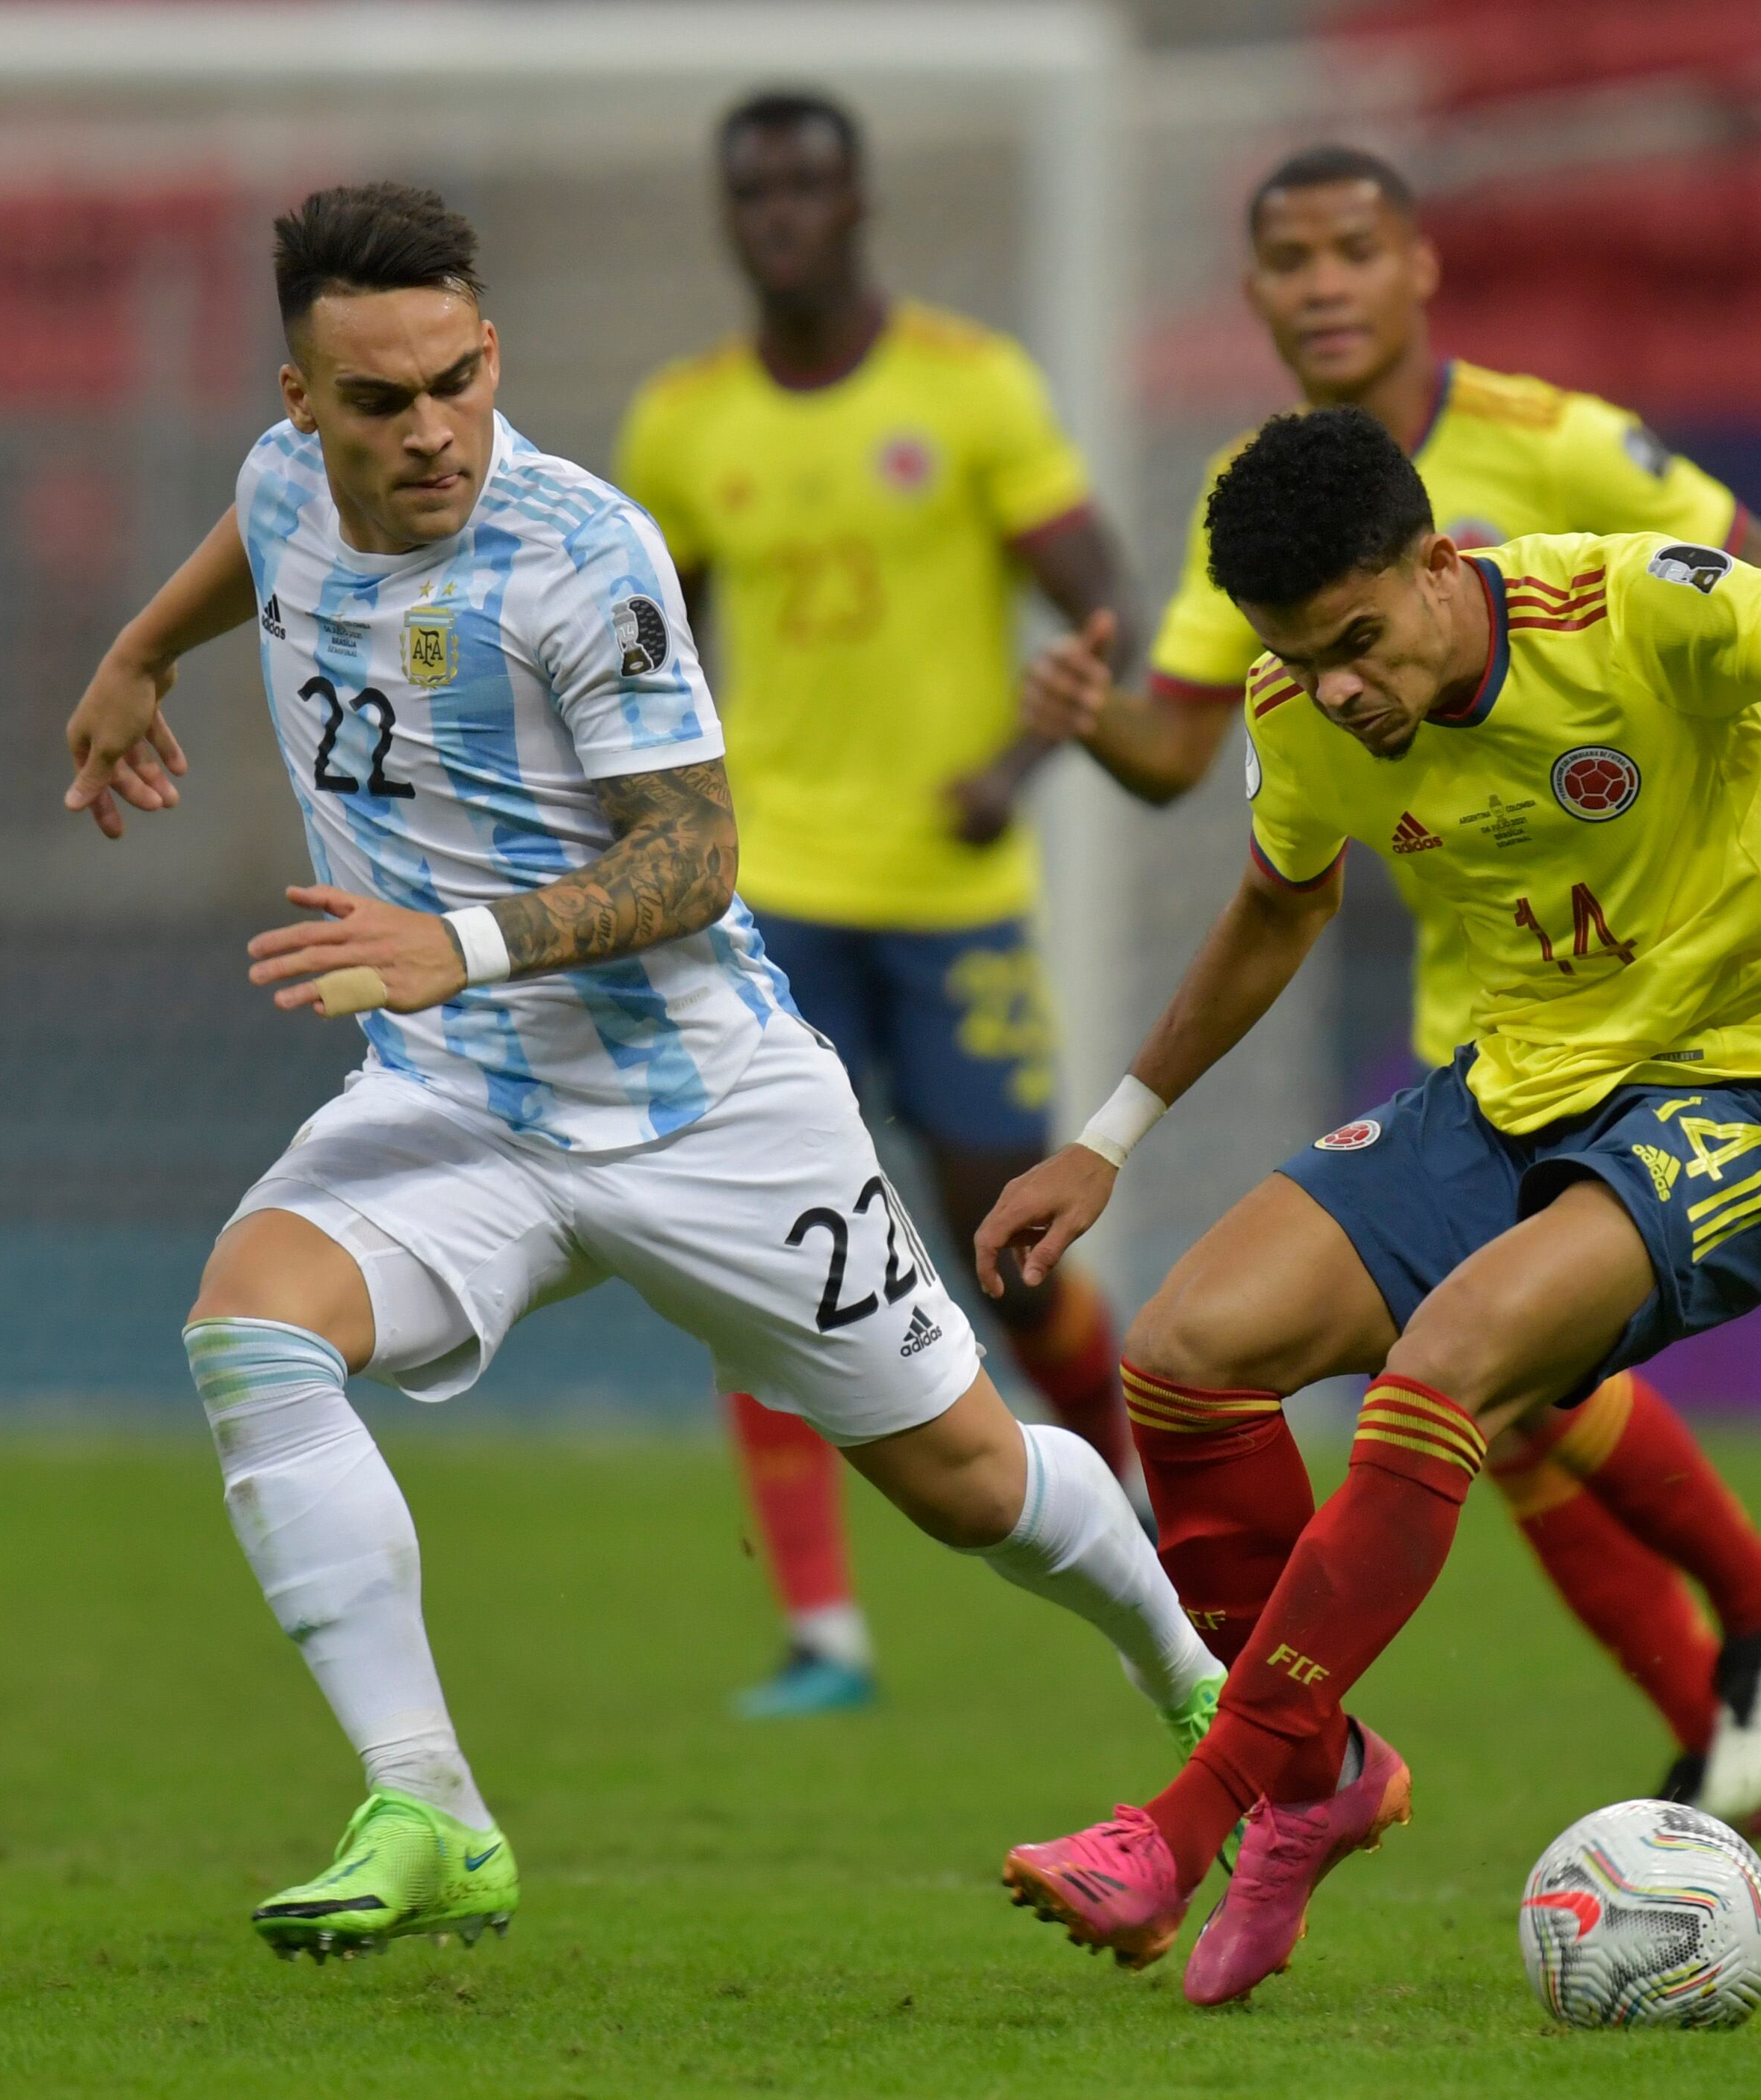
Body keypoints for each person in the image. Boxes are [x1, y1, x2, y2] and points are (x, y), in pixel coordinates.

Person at [58, 182, 1221, 1960]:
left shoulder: (581, 552)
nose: (431, 429)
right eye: (378, 402)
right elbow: (255, 529)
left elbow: (695, 856)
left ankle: (1204, 1691)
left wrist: (462, 941)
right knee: (251, 1325)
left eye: (458, 380)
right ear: (301, 399)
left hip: (703, 1108)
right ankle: (431, 1807)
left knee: (971, 1487)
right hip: (461, 1104)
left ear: (492, 353)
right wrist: (139, 653)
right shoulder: (283, 482)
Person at [984, 407, 1761, 2004]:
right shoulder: (1302, 704)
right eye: (1297, 654)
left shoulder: (1631, 606)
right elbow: (1278, 903)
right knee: (1188, 1351)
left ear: (1436, 564)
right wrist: (1107, 1137)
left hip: (1743, 1087)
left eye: (1356, 640)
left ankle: (1187, 1825)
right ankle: (1321, 1773)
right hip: (1511, 1089)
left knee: (1449, 1361)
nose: (1335, 685)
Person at [1023, 144, 1761, 1821]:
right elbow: (1195, 761)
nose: (1320, 283)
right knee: (1514, 1403)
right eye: (1287, 259)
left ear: (1418, 270)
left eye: (1351, 249)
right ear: (1254, 294)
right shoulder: (1259, 520)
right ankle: (1744, 1686)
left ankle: (1750, 1644)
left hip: (1671, 1000)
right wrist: (1093, 719)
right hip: (1487, 1023)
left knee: (1502, 1393)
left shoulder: (1554, 448)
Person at [614, 89, 1150, 1720]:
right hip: (766, 900)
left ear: (857, 207)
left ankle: (1147, 1500)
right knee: (755, 1248)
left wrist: (1022, 750)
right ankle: (822, 1632)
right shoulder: (680, 426)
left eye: (807, 186)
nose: (779, 213)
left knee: (1015, 1248)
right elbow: (645, 660)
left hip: (951, 893)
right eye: (752, 189)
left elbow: (1108, 603)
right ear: (729, 215)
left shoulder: (969, 389)